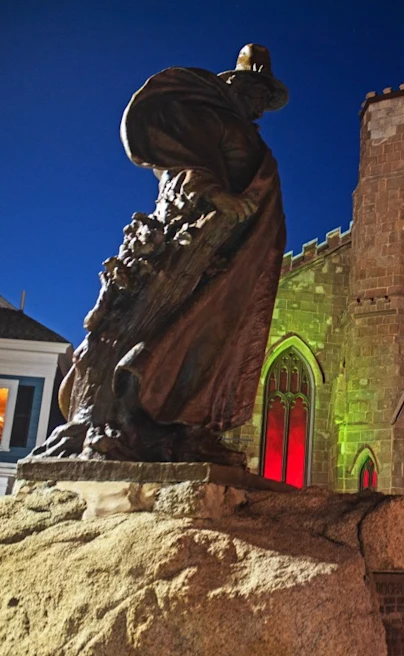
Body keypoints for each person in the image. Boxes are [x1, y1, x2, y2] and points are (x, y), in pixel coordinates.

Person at [33, 44, 290, 464]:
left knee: (210, 338)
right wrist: (214, 195)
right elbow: (182, 165)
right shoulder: (211, 120)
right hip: (194, 248)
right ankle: (124, 418)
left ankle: (185, 427)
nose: (260, 102)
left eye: (265, 95)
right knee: (170, 329)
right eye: (255, 90)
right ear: (236, 86)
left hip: (237, 253)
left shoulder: (248, 136)